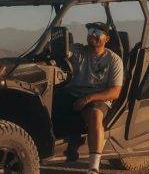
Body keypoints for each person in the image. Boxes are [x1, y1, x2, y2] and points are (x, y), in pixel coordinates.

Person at [53, 22, 124, 174]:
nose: (93, 35)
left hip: (98, 98)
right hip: (72, 93)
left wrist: (88, 98)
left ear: (107, 39)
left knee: (95, 115)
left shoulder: (114, 60)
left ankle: (93, 166)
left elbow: (115, 92)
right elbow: (61, 51)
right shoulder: (78, 51)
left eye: (98, 33)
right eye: (91, 31)